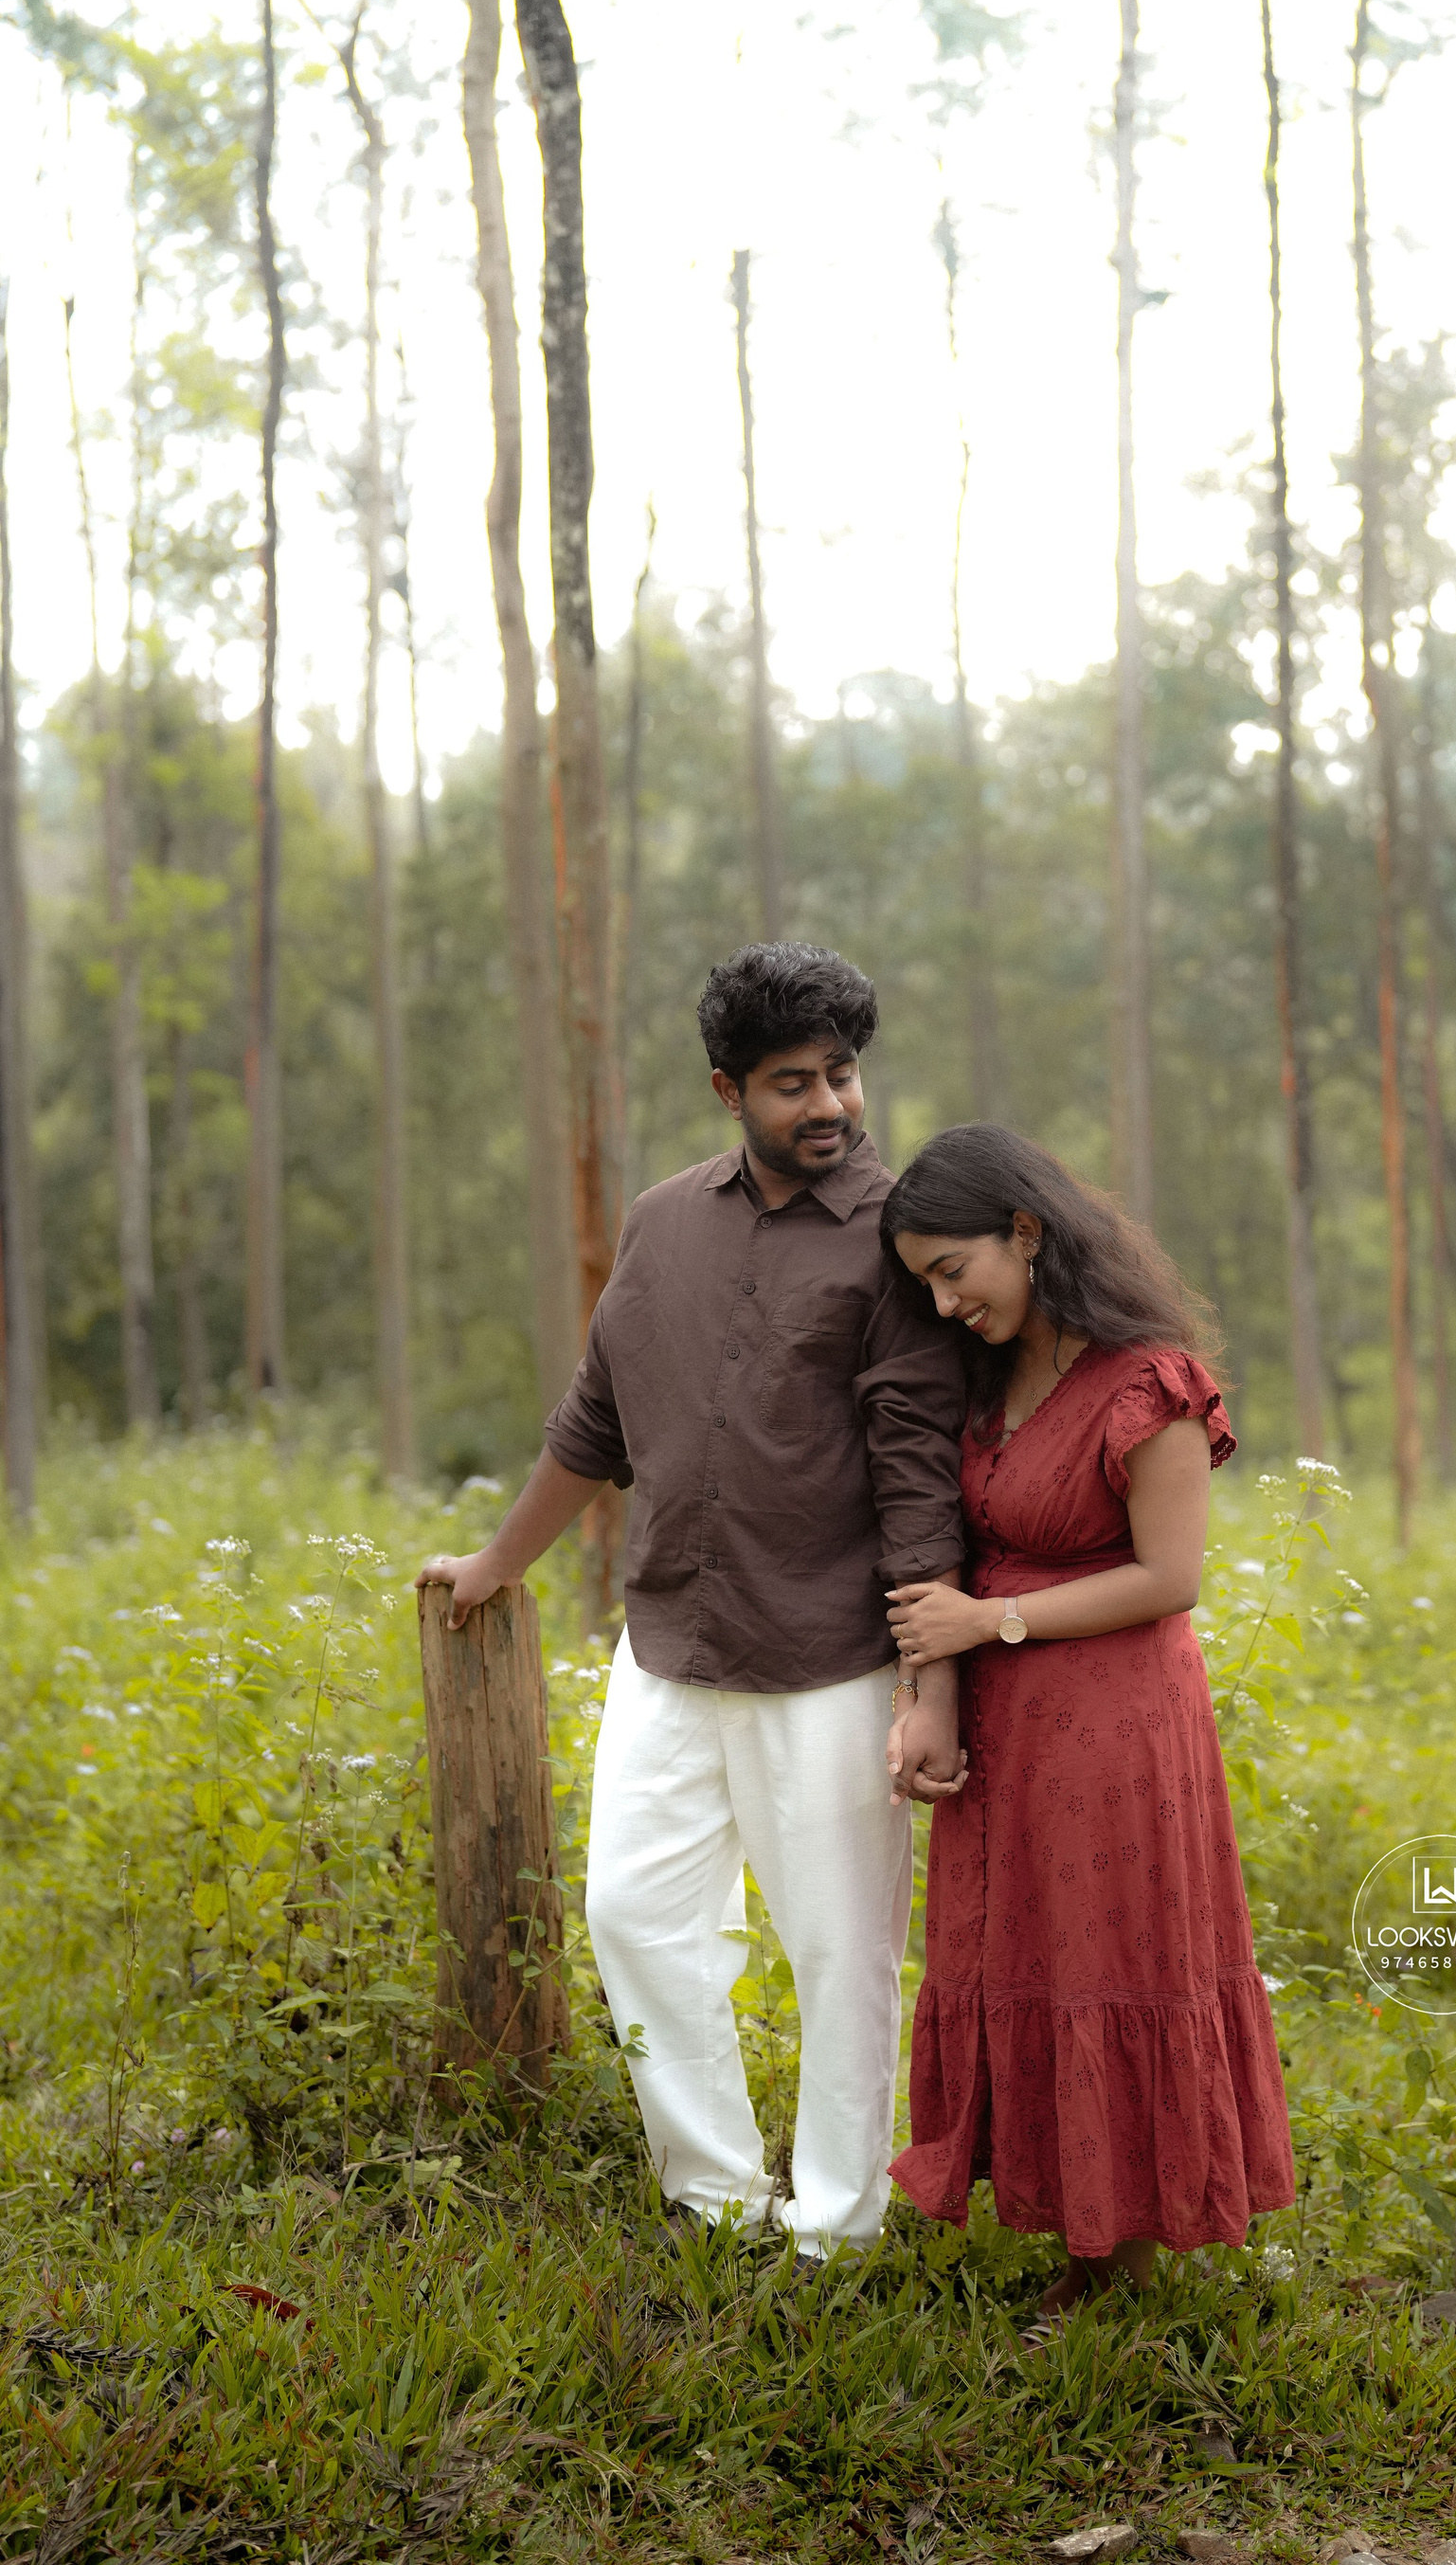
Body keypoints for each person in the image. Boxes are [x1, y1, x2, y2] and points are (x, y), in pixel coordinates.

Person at [419, 942, 970, 2260]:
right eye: (793, 1082)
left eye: (842, 1073)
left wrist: (929, 1687)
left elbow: (918, 1481)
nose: (830, 1104)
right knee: (634, 1916)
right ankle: (718, 2202)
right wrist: (498, 1564)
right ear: (729, 1090)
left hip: (830, 1659)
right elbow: (594, 1423)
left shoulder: (896, 1241)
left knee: (840, 1953)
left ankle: (837, 2229)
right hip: (667, 1645)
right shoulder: (663, 1222)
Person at [878, 1122, 1295, 2332]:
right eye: (925, 1285)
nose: (945, 1304)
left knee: (1111, 1961)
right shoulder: (990, 1380)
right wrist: (937, 1679)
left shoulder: (1149, 1382)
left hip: (1116, 1725)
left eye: (954, 1270)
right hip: (1014, 1731)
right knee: (1029, 1960)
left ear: (1026, 1231)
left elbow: (1171, 1578)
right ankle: (1073, 2224)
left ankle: (1122, 2257)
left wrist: (989, 1625)